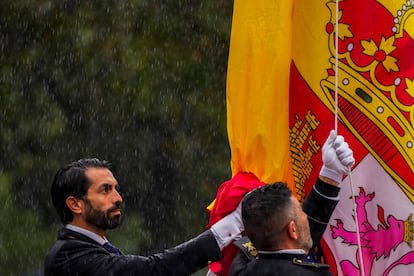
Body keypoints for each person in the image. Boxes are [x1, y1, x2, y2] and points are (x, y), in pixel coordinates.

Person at [44, 158, 244, 276]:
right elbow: (152, 270)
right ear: (75, 204)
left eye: (116, 189)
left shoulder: (92, 249)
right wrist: (234, 222)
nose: (118, 198)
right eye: (105, 190)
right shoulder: (68, 255)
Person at [229, 130, 355, 276]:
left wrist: (330, 173)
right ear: (292, 229)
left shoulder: (240, 269)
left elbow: (274, 241)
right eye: (301, 212)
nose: (306, 217)